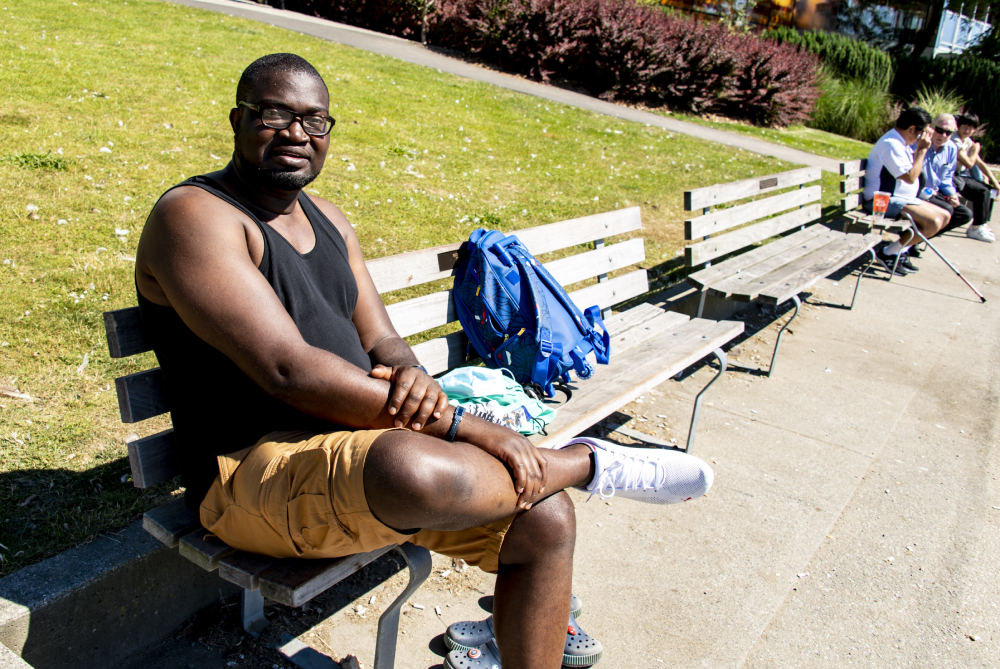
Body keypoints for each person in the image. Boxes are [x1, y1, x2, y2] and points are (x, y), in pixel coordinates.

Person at [134, 53, 713, 669]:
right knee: (416, 467)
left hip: (357, 447)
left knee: (545, 519)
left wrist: (410, 373)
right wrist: (465, 426)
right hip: (249, 473)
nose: (297, 133)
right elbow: (288, 370)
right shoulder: (196, 216)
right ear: (237, 119)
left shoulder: (328, 219)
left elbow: (383, 341)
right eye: (274, 114)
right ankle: (582, 462)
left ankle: (563, 483)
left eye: (316, 121)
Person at [863, 107, 950, 275]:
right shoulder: (891, 144)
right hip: (881, 201)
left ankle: (899, 252)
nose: (923, 138)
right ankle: (888, 253)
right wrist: (922, 150)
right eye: (922, 133)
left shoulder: (900, 142)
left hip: (900, 199)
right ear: (911, 129)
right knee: (933, 223)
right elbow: (910, 177)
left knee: (945, 215)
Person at [919, 114, 974, 237]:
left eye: (948, 133)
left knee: (964, 214)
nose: (943, 135)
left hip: (934, 192)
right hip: (917, 192)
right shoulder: (919, 142)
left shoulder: (951, 148)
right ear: (931, 128)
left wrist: (952, 195)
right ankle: (908, 242)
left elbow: (947, 177)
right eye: (940, 130)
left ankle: (917, 239)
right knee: (946, 210)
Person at [951, 112, 997, 242]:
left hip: (960, 175)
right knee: (981, 191)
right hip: (951, 177)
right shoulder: (955, 140)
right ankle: (975, 228)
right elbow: (969, 163)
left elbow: (979, 162)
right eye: (964, 126)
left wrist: (994, 181)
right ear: (958, 126)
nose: (967, 130)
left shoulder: (967, 140)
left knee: (988, 189)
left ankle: (981, 224)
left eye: (971, 128)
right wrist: (975, 150)